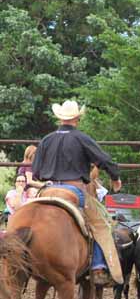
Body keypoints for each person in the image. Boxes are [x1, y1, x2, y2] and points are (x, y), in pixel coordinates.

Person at [32, 100, 123, 286]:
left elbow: (36, 172)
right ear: (77, 118)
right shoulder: (82, 138)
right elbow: (104, 159)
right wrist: (115, 178)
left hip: (47, 190)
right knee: (100, 224)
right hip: (74, 190)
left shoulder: (46, 140)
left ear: (60, 119)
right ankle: (98, 267)